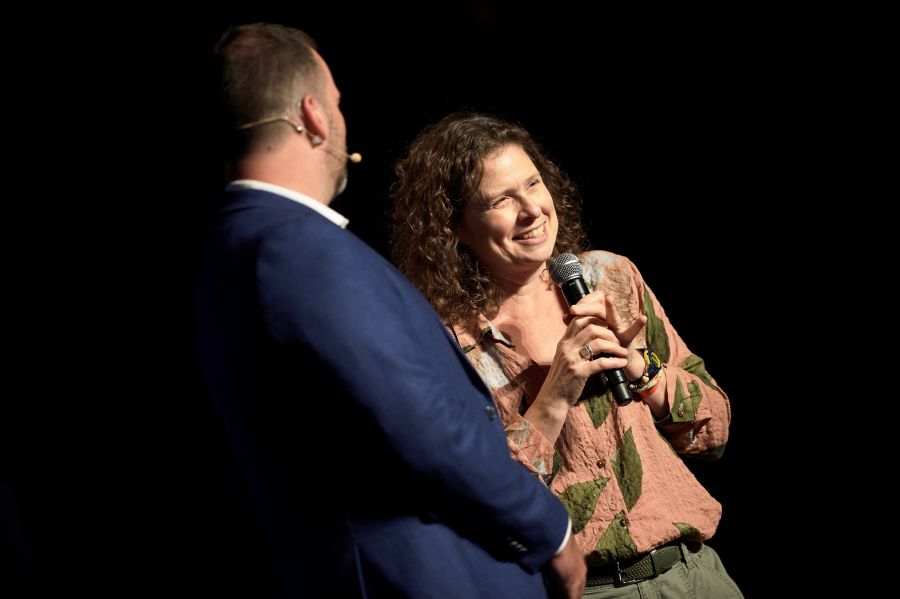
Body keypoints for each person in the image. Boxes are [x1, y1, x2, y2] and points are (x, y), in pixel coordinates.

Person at [194, 25, 586, 598]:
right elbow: (428, 427)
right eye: (338, 103)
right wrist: (551, 532)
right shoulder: (300, 251)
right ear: (313, 116)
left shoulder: (232, 245)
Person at [390, 112, 743, 598]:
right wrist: (556, 391)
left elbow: (714, 429)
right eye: (500, 200)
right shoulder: (449, 341)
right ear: (456, 228)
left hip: (695, 575)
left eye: (533, 184)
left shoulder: (612, 277)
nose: (531, 209)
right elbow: (477, 499)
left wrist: (640, 366)